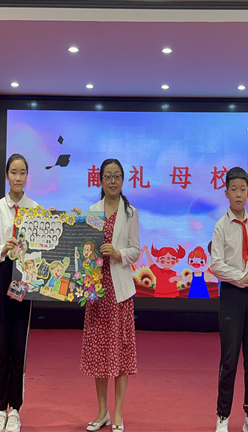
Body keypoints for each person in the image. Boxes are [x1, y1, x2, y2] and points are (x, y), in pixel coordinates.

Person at [80, 158, 141, 432]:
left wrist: (117, 253)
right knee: (99, 352)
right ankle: (102, 411)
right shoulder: (92, 211)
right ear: (100, 181)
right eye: (108, 176)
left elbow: (135, 250)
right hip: (96, 290)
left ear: (123, 180)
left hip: (119, 291)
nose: (112, 180)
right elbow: (84, 246)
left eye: (117, 176)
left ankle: (118, 413)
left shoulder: (130, 212)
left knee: (121, 352)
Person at [0, 153, 37, 432]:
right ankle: (0, 409)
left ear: (27, 176)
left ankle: (16, 409)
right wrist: (2, 249)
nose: (18, 177)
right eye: (13, 172)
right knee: (1, 344)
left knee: (19, 344)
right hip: (3, 275)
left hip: (25, 280)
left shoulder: (35, 210)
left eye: (22, 172)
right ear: (6, 175)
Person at [210, 167, 248, 432]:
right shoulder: (221, 226)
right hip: (232, 294)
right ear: (226, 193)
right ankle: (223, 417)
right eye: (234, 189)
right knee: (229, 359)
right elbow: (216, 265)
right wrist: (241, 277)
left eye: (243, 189)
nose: (239, 194)